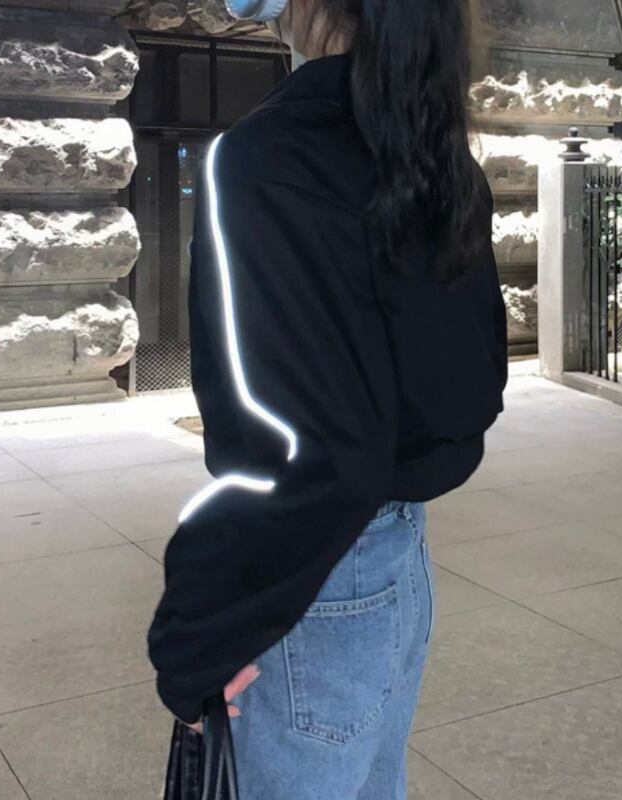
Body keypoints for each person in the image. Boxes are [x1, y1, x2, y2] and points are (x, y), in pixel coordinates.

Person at [147, 0, 508, 796]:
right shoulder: (435, 151)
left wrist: (196, 631)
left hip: (311, 583)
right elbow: (466, 397)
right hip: (395, 560)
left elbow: (303, 454)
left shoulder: (266, 157)